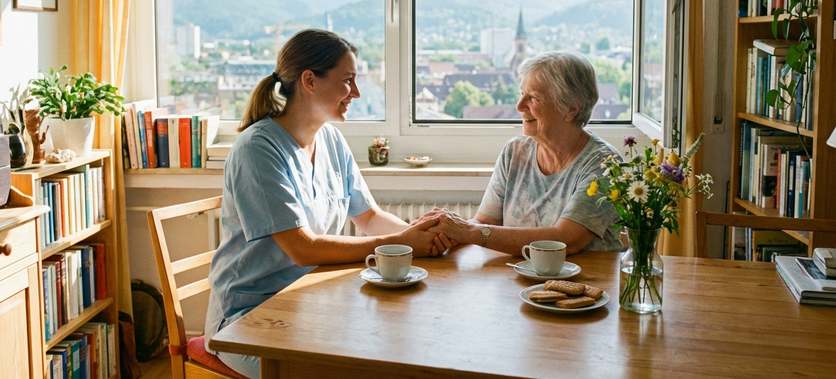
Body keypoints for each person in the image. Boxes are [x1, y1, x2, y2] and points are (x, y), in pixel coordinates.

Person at [204, 29, 447, 378]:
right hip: (249, 320)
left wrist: (424, 235)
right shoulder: (257, 149)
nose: (357, 93)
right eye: (348, 81)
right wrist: (402, 243)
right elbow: (303, 249)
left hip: (314, 303)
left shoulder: (330, 138)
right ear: (309, 80)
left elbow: (369, 216)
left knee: (400, 348)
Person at [424, 51, 623, 255]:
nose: (519, 106)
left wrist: (468, 231)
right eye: (522, 94)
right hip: (516, 277)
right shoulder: (515, 151)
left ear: (571, 108)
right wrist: (447, 233)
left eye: (534, 98)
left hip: (585, 282)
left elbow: (565, 240)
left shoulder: (604, 165)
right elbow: (484, 223)